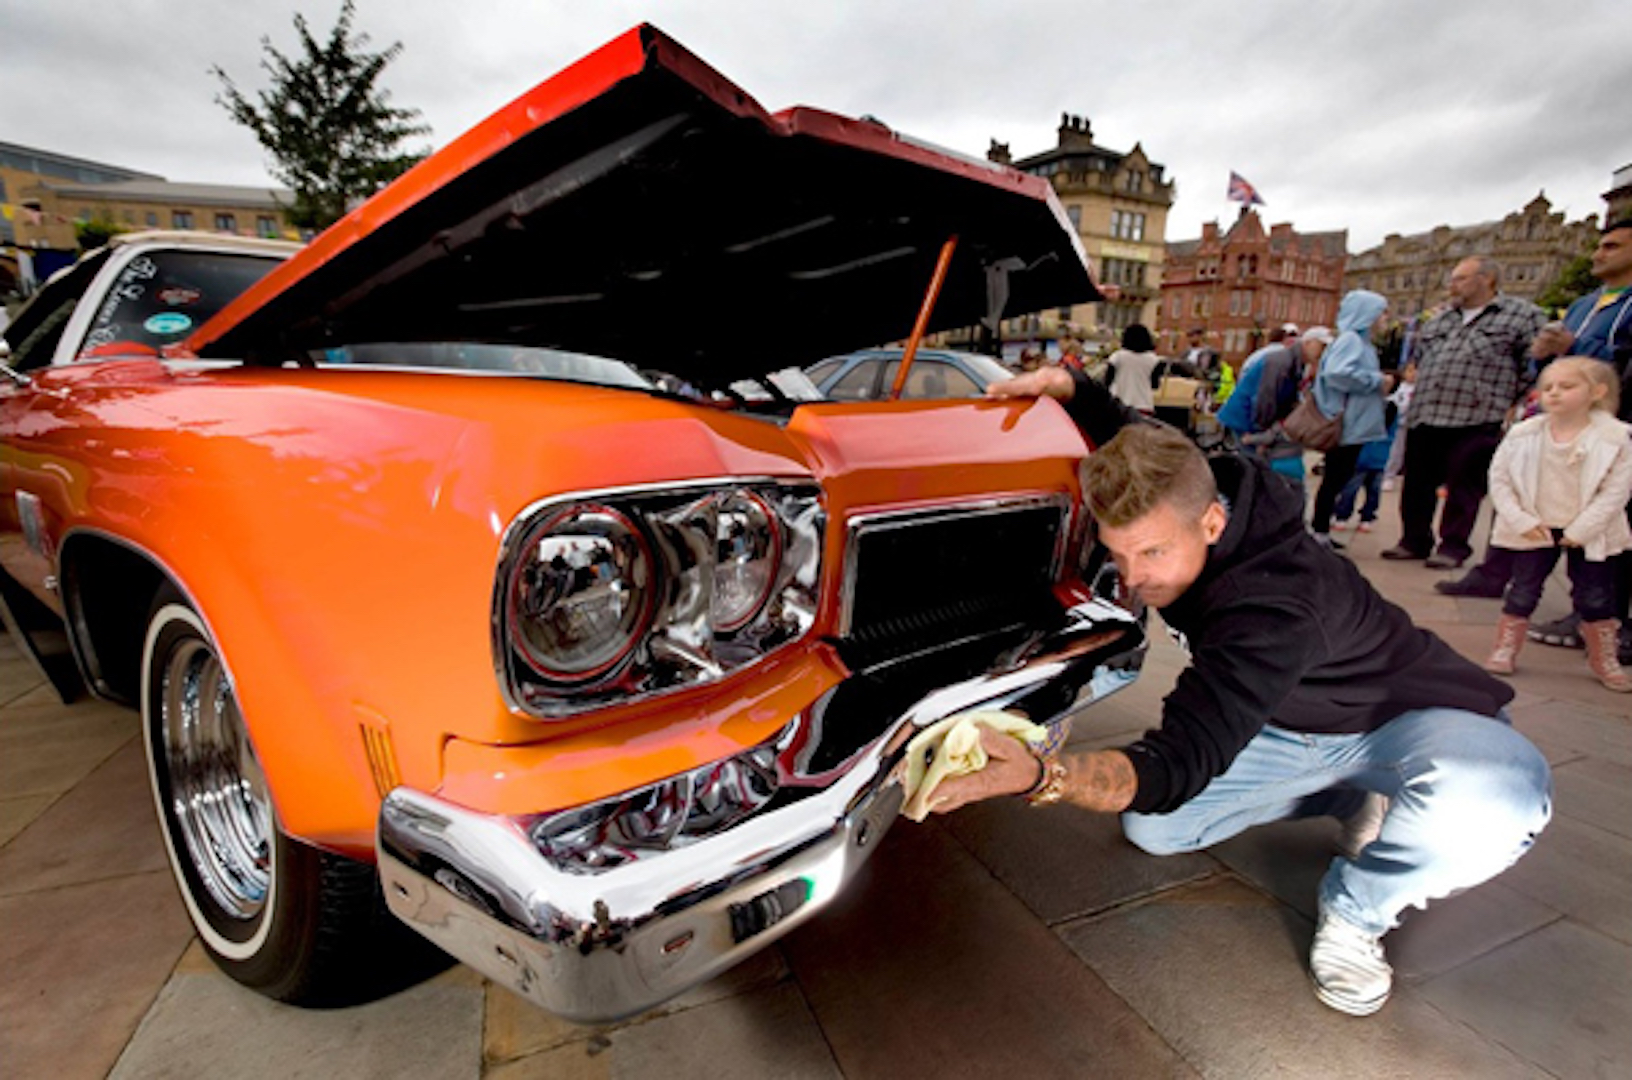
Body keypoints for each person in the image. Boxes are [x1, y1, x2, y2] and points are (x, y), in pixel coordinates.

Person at [923, 362, 1552, 1018]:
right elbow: (1134, 436)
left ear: (1214, 524)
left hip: (1406, 714)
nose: (1134, 580)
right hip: (1290, 723)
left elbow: (1179, 758)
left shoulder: (1272, 609)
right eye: (1120, 554)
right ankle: (1352, 796)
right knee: (1155, 831)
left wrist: (1040, 777)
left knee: (1498, 795)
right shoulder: (1196, 482)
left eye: (1154, 554)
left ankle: (1358, 912)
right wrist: (1073, 388)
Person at [1438, 220, 1632, 666]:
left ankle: (1606, 618)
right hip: (1560, 429)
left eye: (1611, 245)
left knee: (1603, 526)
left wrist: (1579, 346)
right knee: (1533, 498)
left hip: (1608, 427)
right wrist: (1545, 354)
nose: (1598, 253)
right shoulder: (1585, 303)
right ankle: (1503, 575)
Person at [1381, 257, 1547, 568]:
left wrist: (1505, 399)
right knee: (1417, 483)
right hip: (1427, 412)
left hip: (1477, 417)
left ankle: (1453, 547)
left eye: (1460, 278)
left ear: (1487, 279)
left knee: (1464, 487)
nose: (1451, 285)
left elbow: (1533, 365)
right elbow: (1421, 360)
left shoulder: (1522, 316)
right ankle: (1413, 541)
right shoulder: (1440, 320)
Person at [1481, 358, 1632, 691]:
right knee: (1523, 589)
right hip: (1537, 526)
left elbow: (1616, 490)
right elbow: (1500, 477)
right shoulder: (1525, 433)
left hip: (1588, 530)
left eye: (1567, 386)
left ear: (1597, 392)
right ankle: (1506, 646)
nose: (1554, 393)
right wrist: (1520, 519)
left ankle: (1604, 655)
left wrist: (1583, 529)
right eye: (1548, 387)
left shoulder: (1615, 437)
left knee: (1595, 595)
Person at [1309, 291, 1395, 551]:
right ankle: (1319, 531)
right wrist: (1377, 380)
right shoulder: (1352, 341)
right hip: (1347, 424)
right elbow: (1338, 373)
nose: (1385, 318)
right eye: (1382, 311)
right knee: (1335, 477)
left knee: (1339, 477)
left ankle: (1321, 529)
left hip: (1353, 424)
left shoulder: (1358, 341)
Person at [1234, 327, 1333, 491]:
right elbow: (1266, 398)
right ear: (1308, 343)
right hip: (1247, 419)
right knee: (1251, 473)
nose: (1323, 352)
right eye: (1321, 346)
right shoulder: (1283, 362)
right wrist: (1262, 432)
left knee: (1254, 472)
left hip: (1254, 419)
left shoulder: (1295, 362)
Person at [1331, 405, 1399, 534]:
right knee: (1350, 489)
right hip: (1362, 458)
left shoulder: (1391, 409)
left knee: (1373, 492)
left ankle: (1367, 517)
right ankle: (1342, 515)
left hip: (1378, 458)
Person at [1105, 323, 1162, 413]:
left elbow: (1107, 381)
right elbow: (1155, 385)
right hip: (1144, 405)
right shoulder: (1154, 360)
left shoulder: (1117, 356)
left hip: (1118, 404)